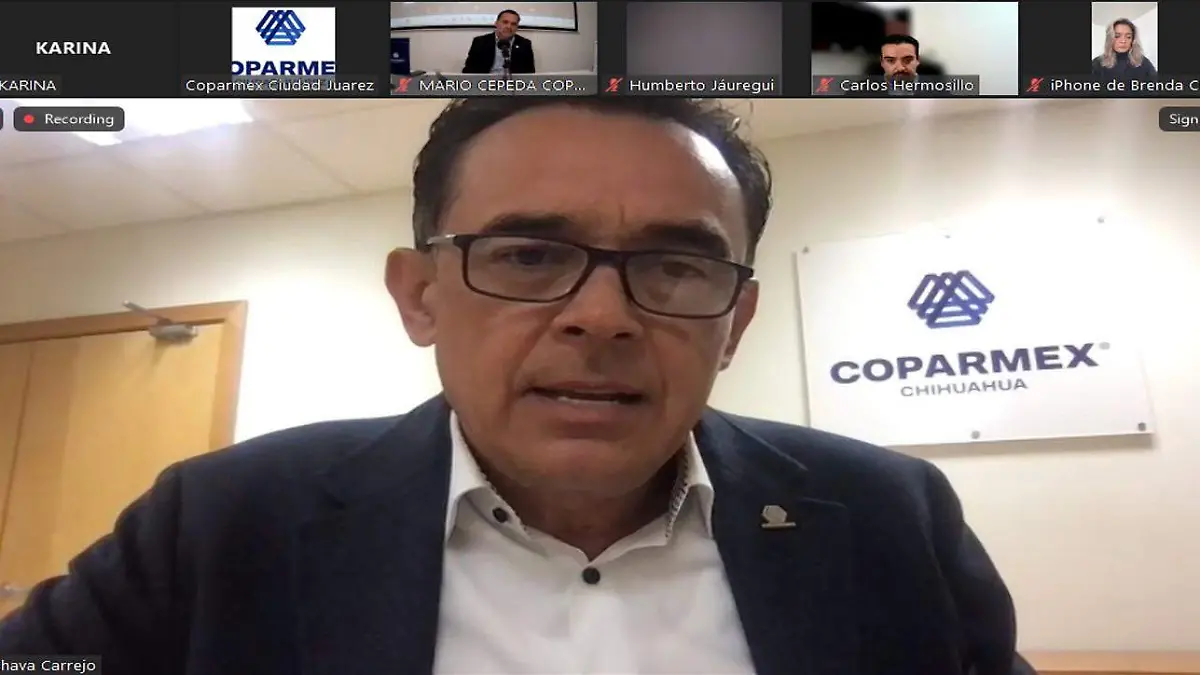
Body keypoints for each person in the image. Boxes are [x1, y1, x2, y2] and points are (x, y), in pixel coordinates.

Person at [0, 97, 1033, 675]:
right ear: (420, 298)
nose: (602, 316)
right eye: (531, 256)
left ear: (736, 323)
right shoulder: (224, 518)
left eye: (676, 265)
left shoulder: (890, 516)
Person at [463, 9, 535, 75]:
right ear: (496, 23)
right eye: (505, 22)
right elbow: (469, 70)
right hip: (485, 82)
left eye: (513, 24)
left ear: (517, 27)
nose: (509, 26)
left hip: (513, 82)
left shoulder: (524, 44)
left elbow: (530, 72)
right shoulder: (480, 41)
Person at [1091, 18, 1157, 83]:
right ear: (1109, 39)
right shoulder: (1097, 64)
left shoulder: (1143, 62)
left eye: (1128, 37)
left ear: (1133, 40)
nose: (1123, 41)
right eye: (1117, 36)